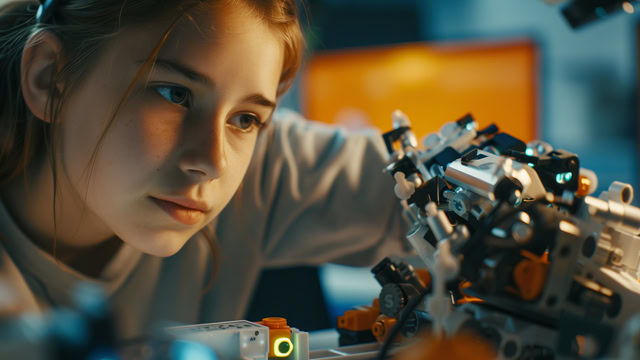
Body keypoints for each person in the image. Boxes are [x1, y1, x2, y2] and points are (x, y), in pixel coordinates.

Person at [0, 0, 408, 339]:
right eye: (175, 94)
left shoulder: (263, 166)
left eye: (246, 119)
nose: (214, 163)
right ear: (49, 77)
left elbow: (439, 190)